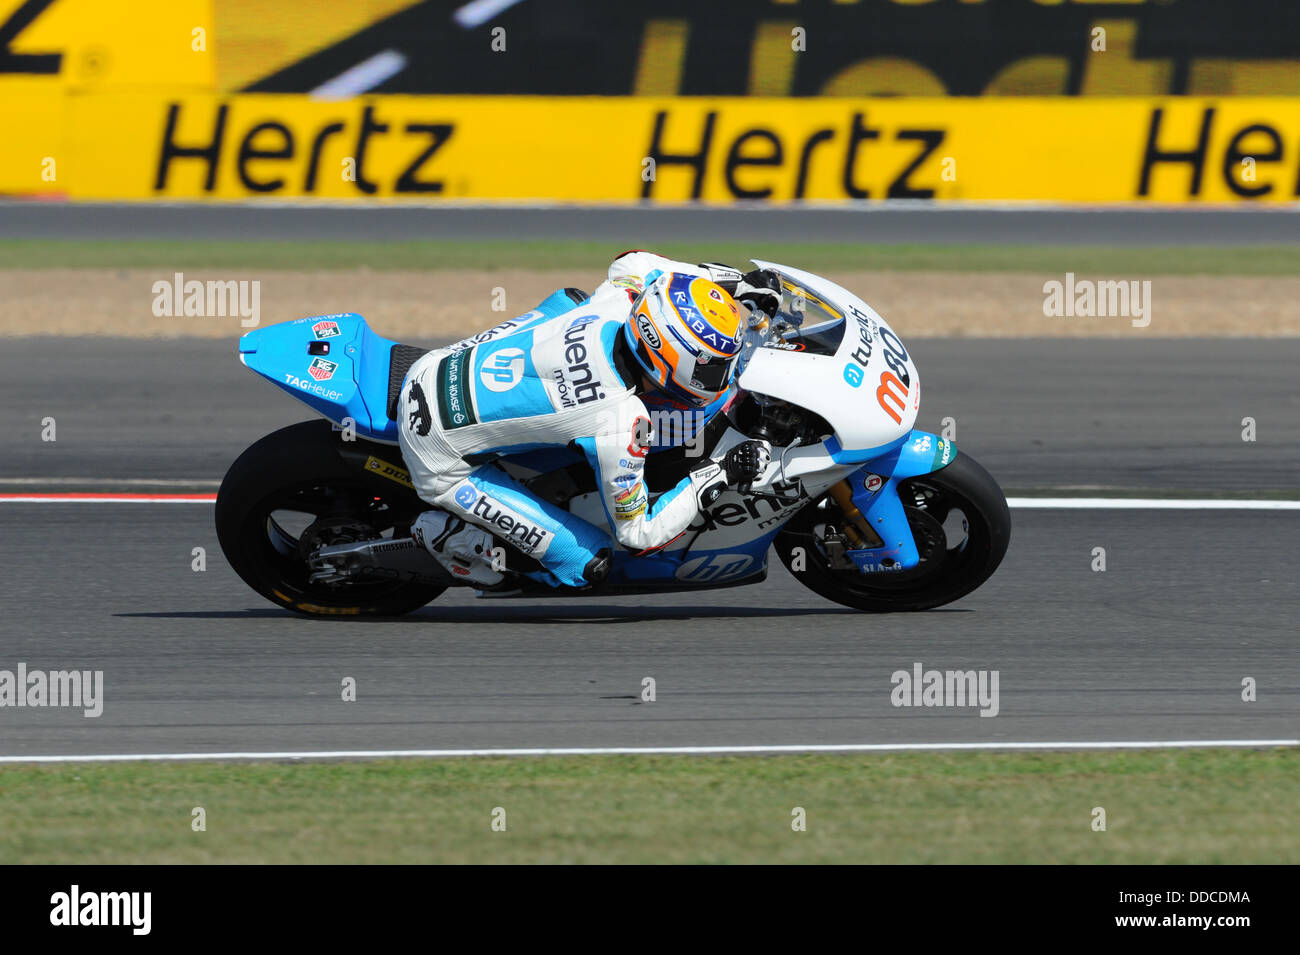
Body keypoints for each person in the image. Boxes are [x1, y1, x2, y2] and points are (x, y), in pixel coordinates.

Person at [397, 250, 783, 589]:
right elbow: (638, 534)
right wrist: (720, 473)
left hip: (432, 367)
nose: (721, 374)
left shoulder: (618, 303)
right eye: (713, 367)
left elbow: (634, 261)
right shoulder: (621, 422)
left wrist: (734, 284)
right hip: (441, 459)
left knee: (573, 300)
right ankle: (454, 539)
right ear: (669, 360)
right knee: (590, 562)